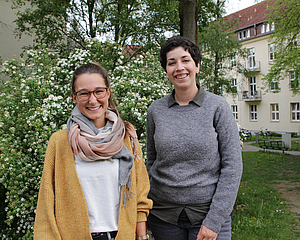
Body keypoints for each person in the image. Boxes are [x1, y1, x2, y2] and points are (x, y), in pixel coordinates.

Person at [34, 62, 152, 240]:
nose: (92, 100)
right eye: (84, 94)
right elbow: (46, 201)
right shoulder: (60, 142)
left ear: (108, 93)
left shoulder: (126, 138)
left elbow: (140, 196)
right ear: (74, 97)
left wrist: (142, 237)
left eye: (98, 91)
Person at [146, 36, 243, 240]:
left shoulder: (218, 107)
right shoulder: (156, 110)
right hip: (163, 216)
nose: (179, 67)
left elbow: (232, 167)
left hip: (209, 216)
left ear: (197, 66)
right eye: (171, 63)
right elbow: (151, 162)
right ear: (166, 71)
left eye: (185, 60)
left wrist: (214, 221)